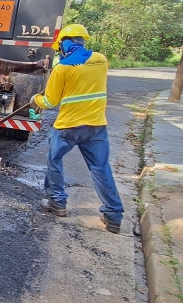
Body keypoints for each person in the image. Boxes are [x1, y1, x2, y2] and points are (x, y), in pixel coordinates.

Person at [32, 23, 125, 234]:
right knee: (100, 168)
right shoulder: (102, 60)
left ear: (64, 44)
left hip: (68, 127)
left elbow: (50, 101)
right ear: (82, 40)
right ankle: (114, 216)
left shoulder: (62, 68)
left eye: (60, 48)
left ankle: (57, 202)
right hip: (96, 126)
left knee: (54, 160)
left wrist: (34, 98)